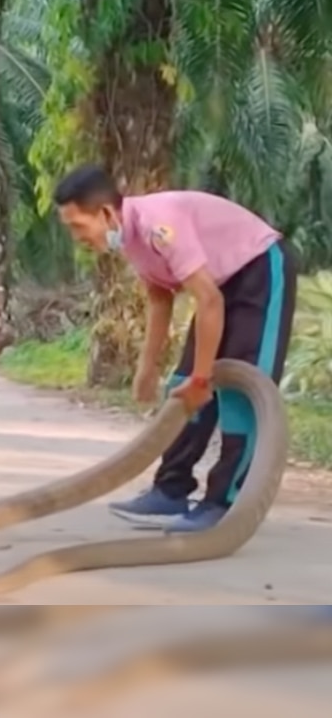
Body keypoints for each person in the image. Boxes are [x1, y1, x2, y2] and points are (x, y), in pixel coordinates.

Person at [52, 164, 297, 534]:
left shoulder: (159, 227)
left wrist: (203, 378)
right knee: (181, 385)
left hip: (259, 269)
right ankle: (171, 490)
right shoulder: (130, 237)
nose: (76, 237)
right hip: (219, 285)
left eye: (77, 226)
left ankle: (222, 503)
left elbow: (208, 301)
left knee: (240, 394)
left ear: (105, 213)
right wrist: (148, 368)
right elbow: (159, 298)